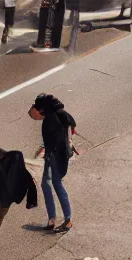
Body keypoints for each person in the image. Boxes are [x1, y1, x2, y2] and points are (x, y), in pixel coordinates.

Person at [28, 93, 76, 232]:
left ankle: (67, 220)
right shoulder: (61, 114)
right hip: (58, 155)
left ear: (42, 109)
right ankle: (53, 219)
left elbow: (55, 141)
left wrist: (46, 153)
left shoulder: (50, 120)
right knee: (47, 184)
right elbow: (72, 126)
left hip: (55, 157)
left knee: (56, 184)